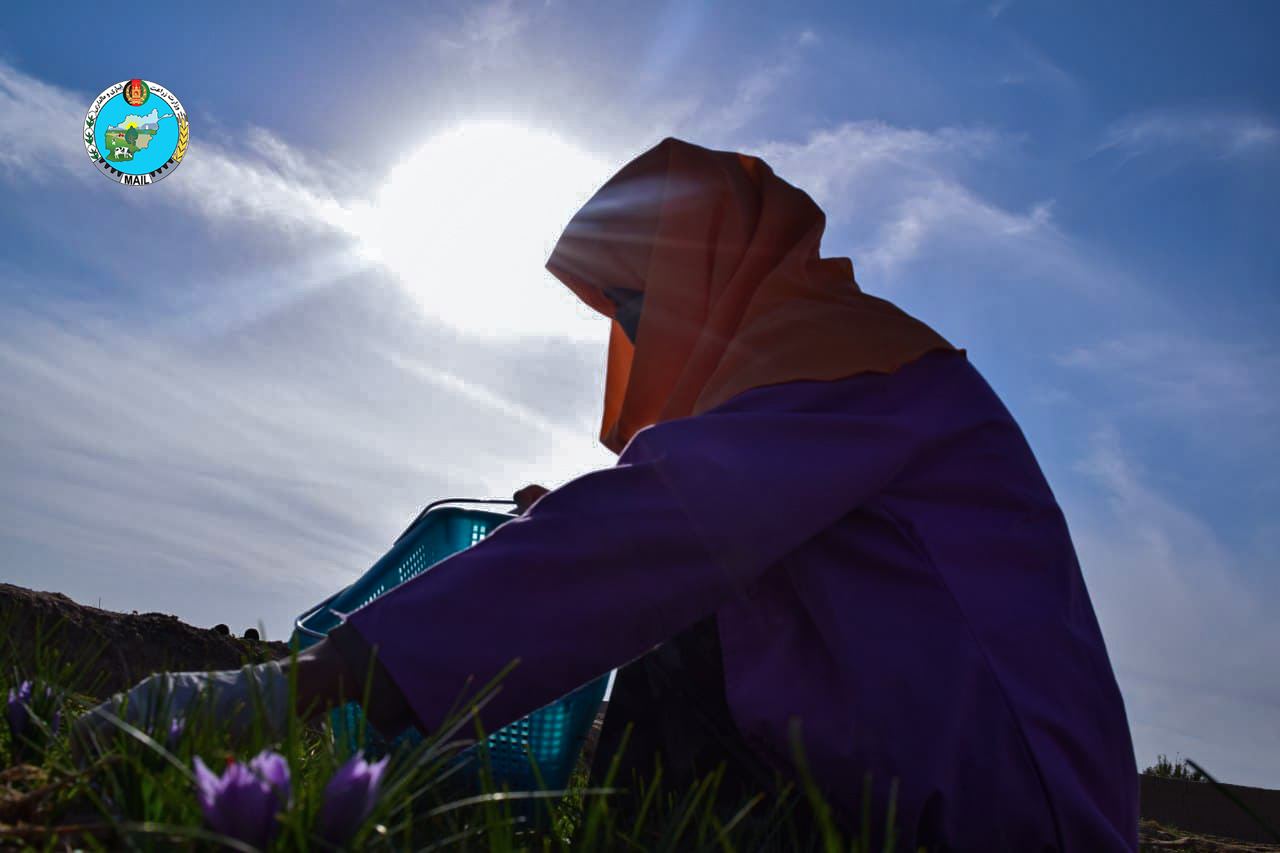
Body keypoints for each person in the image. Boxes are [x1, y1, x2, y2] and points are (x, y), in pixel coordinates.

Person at [85, 137, 1139, 850]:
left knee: (649, 628)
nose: (632, 330)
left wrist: (303, 685)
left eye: (643, 296)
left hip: (1004, 804)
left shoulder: (856, 364)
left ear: (711, 270)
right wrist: (577, 514)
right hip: (897, 769)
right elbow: (701, 529)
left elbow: (652, 540)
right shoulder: (810, 378)